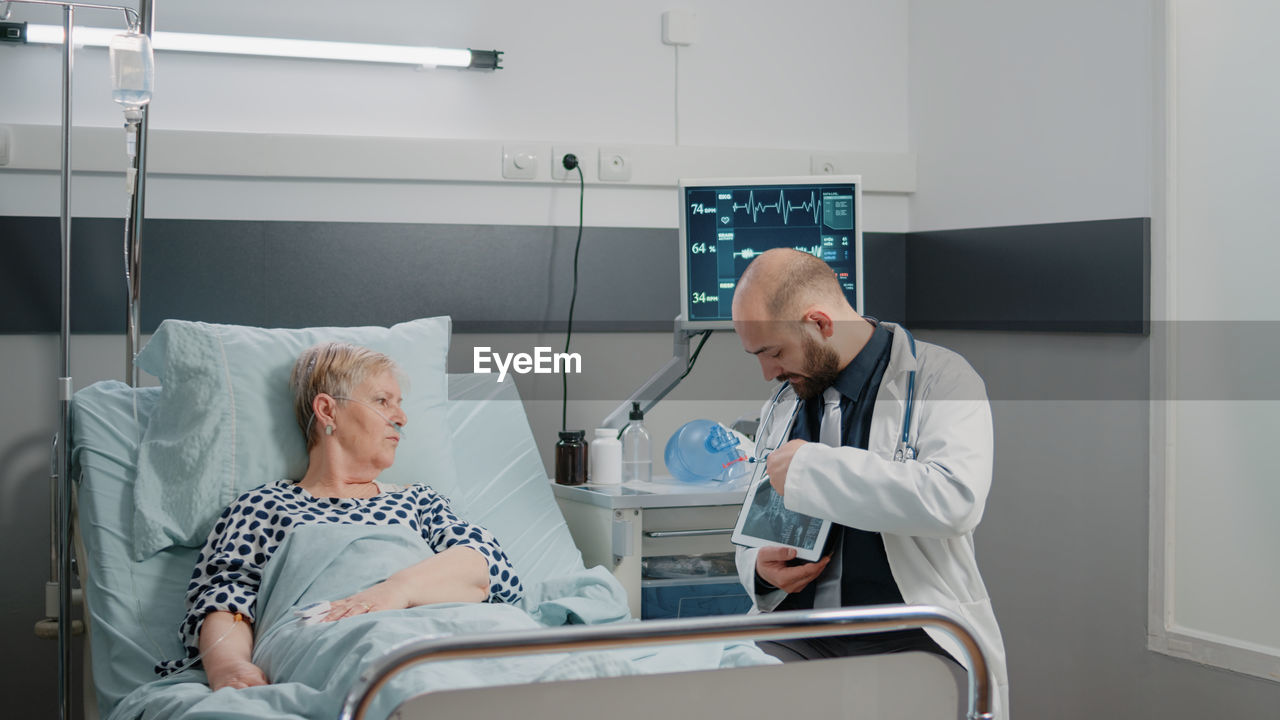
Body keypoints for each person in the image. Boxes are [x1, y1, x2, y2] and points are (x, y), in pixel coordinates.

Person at [731, 248, 1008, 713]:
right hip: (799, 635)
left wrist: (810, 469)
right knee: (721, 693)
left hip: (912, 633)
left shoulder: (942, 380)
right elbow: (755, 531)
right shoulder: (786, 400)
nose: (768, 373)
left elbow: (955, 501)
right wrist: (759, 569)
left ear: (819, 324)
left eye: (774, 352)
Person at [157, 342, 523, 690]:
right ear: (327, 410)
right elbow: (225, 600)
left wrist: (396, 591)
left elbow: (485, 568)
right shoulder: (264, 506)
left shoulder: (419, 501)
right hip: (335, 639)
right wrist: (231, 667)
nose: (401, 417)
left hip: (445, 629)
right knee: (403, 675)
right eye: (383, 401)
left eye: (400, 403)